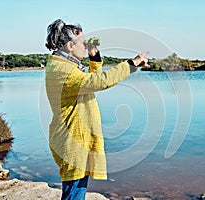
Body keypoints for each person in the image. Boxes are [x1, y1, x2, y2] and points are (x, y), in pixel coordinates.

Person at [45, 19, 149, 200]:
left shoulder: (63, 65)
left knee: (75, 189)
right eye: (83, 43)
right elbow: (100, 82)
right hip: (73, 141)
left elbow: (90, 83)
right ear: (70, 45)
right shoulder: (65, 71)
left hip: (72, 138)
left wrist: (94, 56)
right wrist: (132, 63)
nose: (85, 46)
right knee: (74, 192)